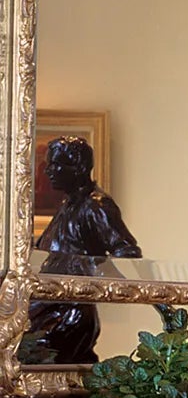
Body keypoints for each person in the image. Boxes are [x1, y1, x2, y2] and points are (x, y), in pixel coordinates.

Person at [22, 135, 140, 366]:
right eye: (49, 164)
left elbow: (127, 254)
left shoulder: (96, 206)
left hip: (70, 313)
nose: (48, 171)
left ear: (78, 168)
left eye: (56, 165)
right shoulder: (69, 204)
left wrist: (86, 276)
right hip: (48, 305)